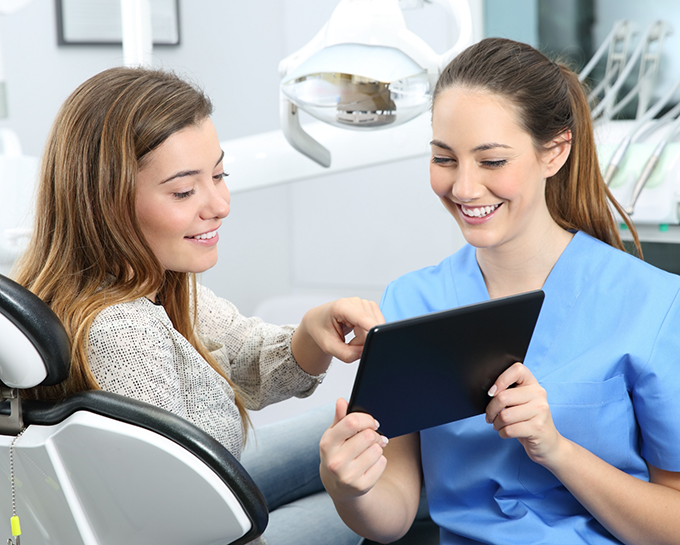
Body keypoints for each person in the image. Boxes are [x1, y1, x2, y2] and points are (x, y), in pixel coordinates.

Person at [319, 37, 680, 545]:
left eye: (491, 162)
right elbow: (394, 512)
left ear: (554, 152)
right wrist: (348, 488)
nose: (464, 188)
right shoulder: (411, 302)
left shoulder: (655, 304)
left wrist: (556, 449)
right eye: (444, 159)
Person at [13, 66, 383, 545]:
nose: (220, 204)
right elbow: (179, 526)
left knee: (360, 431)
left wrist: (310, 334)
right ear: (107, 202)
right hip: (196, 528)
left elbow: (241, 355)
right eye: (185, 191)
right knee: (373, 497)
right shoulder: (125, 332)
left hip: (194, 496)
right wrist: (359, 507)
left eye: (219, 175)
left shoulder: (141, 283)